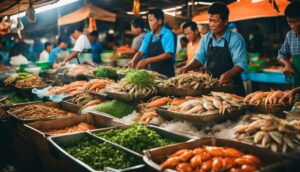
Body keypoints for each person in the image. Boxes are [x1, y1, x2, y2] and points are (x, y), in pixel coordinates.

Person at [177, 2, 247, 96]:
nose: (211, 24)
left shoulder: (235, 39)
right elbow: (199, 58)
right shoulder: (206, 38)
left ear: (225, 21)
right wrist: (186, 67)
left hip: (232, 89)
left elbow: (240, 65)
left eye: (215, 21)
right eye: (210, 20)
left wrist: (228, 75)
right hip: (212, 88)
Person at [127, 8, 176, 77]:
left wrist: (147, 60)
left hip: (166, 74)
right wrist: (133, 61)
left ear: (159, 21)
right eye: (148, 21)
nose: (149, 23)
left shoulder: (167, 34)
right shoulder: (149, 35)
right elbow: (141, 52)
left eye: (151, 20)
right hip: (153, 73)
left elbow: (167, 54)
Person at [277, 2, 300, 86]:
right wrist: (287, 64)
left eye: (295, 21)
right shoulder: (290, 35)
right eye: (289, 22)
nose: (292, 26)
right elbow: (281, 54)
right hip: (297, 84)